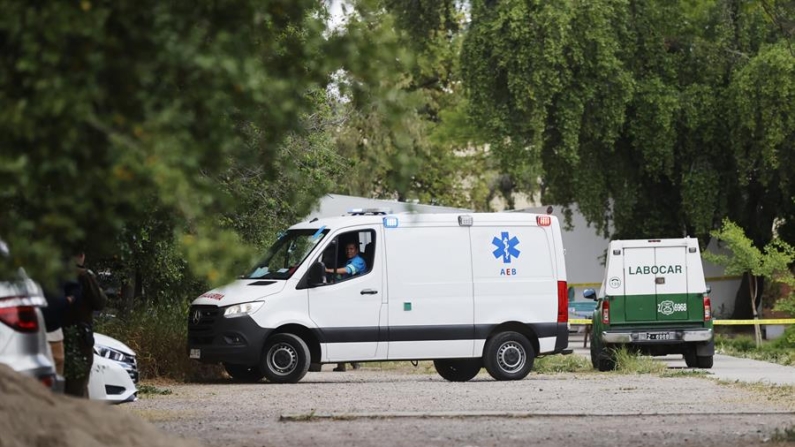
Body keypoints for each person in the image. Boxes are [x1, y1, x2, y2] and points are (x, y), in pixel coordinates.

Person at [63, 251, 108, 398]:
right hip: (80, 335)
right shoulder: (84, 275)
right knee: (79, 383)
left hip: (58, 333)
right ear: (82, 255)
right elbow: (99, 302)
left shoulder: (54, 273)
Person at [325, 242, 366, 372]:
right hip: (348, 299)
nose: (349, 251)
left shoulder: (358, 261)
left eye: (351, 248)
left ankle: (347, 363)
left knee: (344, 331)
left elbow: (347, 271)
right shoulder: (349, 260)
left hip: (354, 300)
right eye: (347, 249)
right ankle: (348, 363)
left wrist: (328, 270)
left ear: (357, 250)